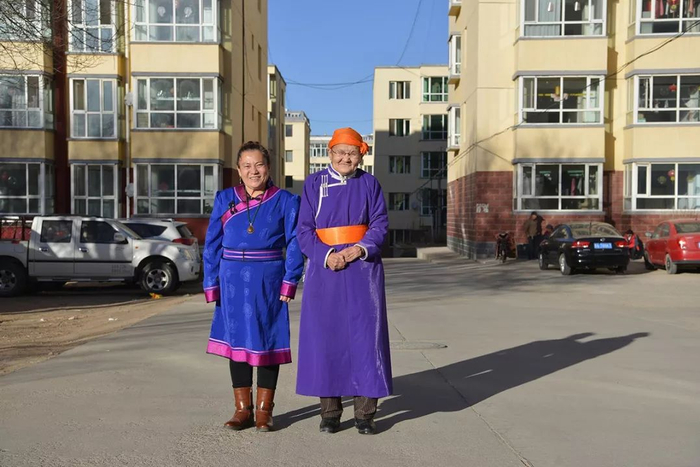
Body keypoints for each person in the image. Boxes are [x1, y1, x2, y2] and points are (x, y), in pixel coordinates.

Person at [296, 127, 392, 436]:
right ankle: (330, 413)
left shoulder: (370, 184)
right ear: (330, 153)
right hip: (325, 270)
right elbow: (304, 230)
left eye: (352, 153)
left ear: (360, 155)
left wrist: (360, 249)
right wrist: (326, 256)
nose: (345, 158)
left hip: (363, 269)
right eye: (340, 152)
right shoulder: (313, 184)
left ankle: (365, 413)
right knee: (327, 338)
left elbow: (379, 223)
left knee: (366, 338)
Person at [202, 141, 304, 432]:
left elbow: (295, 242)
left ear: (268, 167)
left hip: (268, 278)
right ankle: (242, 410)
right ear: (238, 170)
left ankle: (264, 411)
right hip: (231, 279)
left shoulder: (286, 201)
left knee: (267, 340)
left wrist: (290, 280)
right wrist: (211, 282)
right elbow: (212, 243)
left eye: (259, 164)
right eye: (247, 165)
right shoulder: (224, 198)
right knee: (237, 343)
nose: (253, 171)